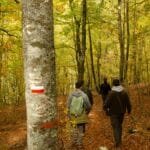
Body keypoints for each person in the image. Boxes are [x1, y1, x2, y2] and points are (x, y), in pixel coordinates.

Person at [103, 78, 132, 149]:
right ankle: (119, 141)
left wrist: (105, 108)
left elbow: (106, 104)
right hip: (122, 112)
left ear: (113, 84)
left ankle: (118, 143)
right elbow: (128, 102)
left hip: (113, 113)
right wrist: (129, 110)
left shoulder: (111, 93)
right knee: (119, 126)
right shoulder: (124, 92)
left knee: (116, 127)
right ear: (119, 83)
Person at [67, 81, 91, 149]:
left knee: (73, 128)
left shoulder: (71, 94)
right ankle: (79, 143)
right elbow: (88, 106)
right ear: (81, 86)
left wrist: (69, 114)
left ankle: (74, 142)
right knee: (81, 129)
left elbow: (68, 105)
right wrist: (87, 112)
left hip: (72, 115)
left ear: (75, 86)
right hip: (81, 115)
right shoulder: (84, 95)